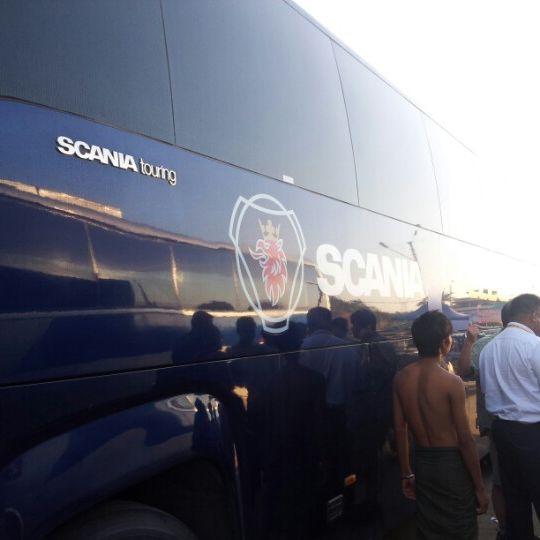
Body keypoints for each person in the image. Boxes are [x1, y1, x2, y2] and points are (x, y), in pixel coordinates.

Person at [393, 310, 488, 540]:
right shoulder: (451, 382)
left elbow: (400, 431)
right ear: (445, 342)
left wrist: (406, 474)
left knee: (429, 527)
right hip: (451, 466)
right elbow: (465, 440)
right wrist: (479, 486)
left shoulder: (401, 377)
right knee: (460, 526)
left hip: (423, 463)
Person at [480, 293, 540, 540]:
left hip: (502, 433)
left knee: (515, 497)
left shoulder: (488, 348)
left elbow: (486, 392)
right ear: (535, 315)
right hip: (533, 433)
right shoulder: (534, 346)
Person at [457, 303, 511, 540]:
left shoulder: (483, 346)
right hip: (529, 427)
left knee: (500, 481)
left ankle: (504, 530)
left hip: (494, 423)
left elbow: (465, 373)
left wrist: (469, 342)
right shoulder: (534, 345)